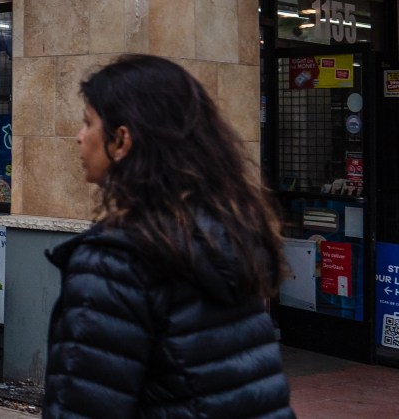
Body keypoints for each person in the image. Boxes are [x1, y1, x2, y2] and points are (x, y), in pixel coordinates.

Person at [44, 55, 295, 419]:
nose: (78, 137)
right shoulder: (224, 236)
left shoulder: (116, 263)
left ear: (122, 140)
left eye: (88, 123)